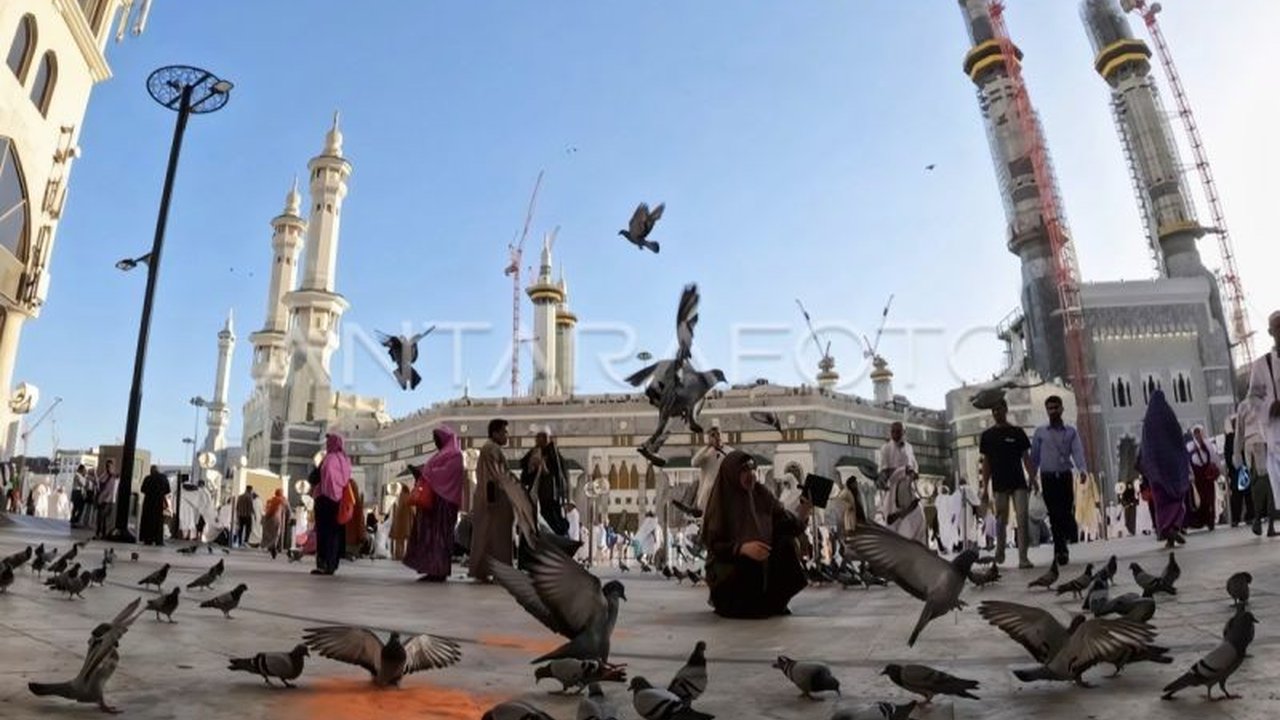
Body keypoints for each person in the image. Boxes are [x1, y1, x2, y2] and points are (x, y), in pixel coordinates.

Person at [703, 451, 809, 619]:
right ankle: (752, 604)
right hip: (730, 570)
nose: (750, 475)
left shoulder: (761, 495)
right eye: (744, 470)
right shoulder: (722, 501)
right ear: (732, 473)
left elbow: (786, 524)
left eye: (753, 469)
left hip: (761, 563)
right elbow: (714, 544)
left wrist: (804, 511)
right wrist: (742, 548)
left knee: (784, 542)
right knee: (748, 563)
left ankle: (775, 601)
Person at [469, 419, 535, 581]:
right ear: (495, 433)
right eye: (504, 432)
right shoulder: (492, 449)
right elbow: (499, 477)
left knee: (488, 537)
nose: (507, 435)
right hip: (494, 501)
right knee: (497, 538)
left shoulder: (490, 448)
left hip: (490, 500)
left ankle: (485, 570)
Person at [1030, 395, 1086, 566]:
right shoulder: (1040, 433)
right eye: (1050, 408)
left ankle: (1068, 535)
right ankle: (1060, 550)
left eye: (1055, 408)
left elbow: (1077, 451)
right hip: (1048, 477)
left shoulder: (1070, 432)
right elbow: (1035, 457)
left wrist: (1082, 469)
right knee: (1054, 514)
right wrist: (1033, 478)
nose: (1053, 411)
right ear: (1047, 411)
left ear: (1061, 409)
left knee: (1066, 510)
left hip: (1065, 476)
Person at [979, 399, 1035, 569]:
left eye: (999, 409)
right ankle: (1000, 551)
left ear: (1005, 409)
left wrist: (1033, 477)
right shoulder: (987, 436)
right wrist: (985, 488)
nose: (996, 413)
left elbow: (1026, 458)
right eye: (993, 410)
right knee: (1000, 520)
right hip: (999, 484)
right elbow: (986, 463)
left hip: (1018, 482)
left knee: (1022, 517)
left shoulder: (1017, 432)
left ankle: (1023, 557)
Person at [404, 426, 465, 582]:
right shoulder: (441, 455)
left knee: (440, 538)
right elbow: (432, 473)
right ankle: (432, 569)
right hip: (435, 503)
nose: (436, 443)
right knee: (430, 538)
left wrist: (425, 472)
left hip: (445, 503)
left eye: (438, 439)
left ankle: (439, 570)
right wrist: (421, 472)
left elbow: (443, 475)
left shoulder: (455, 455)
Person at [1138, 389, 1191, 548]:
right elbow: (1179, 441)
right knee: (1175, 498)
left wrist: (1145, 465)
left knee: (1161, 502)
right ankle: (1174, 527)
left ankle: (1166, 530)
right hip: (1172, 467)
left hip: (1157, 470)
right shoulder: (1169, 416)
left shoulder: (1148, 421)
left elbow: (1145, 446)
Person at [1245, 309, 1280, 534]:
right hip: (1277, 439)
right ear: (1271, 332)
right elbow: (1252, 399)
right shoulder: (1262, 365)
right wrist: (1271, 407)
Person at [1234, 399, 1277, 537]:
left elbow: (1238, 433)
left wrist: (1237, 455)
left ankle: (1258, 520)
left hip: (1249, 446)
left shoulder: (1243, 405)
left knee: (1256, 483)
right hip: (1263, 443)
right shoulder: (1267, 401)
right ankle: (1266, 524)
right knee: (1270, 484)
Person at [312, 433, 351, 576]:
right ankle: (332, 564)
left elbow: (324, 478)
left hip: (325, 500)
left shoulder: (328, 459)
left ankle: (323, 564)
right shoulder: (345, 460)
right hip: (339, 501)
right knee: (335, 534)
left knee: (324, 533)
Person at [520, 427, 569, 536]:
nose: (541, 440)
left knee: (550, 518)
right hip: (535, 493)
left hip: (549, 495)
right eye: (539, 437)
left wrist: (544, 467)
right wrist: (532, 466)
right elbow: (526, 472)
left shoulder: (553, 454)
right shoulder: (533, 452)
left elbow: (557, 474)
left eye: (544, 437)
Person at [1185, 425, 1221, 531]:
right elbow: (1188, 462)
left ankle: (1210, 520)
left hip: (1207, 477)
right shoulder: (1190, 446)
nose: (1197, 435)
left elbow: (1214, 458)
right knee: (1199, 500)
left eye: (1199, 432)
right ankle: (1200, 521)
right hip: (1197, 478)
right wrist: (1190, 476)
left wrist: (1217, 470)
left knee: (1210, 499)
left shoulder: (1208, 445)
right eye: (1195, 433)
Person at [692, 424, 734, 512]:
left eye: (718, 434)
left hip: (724, 494)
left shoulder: (730, 452)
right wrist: (707, 447)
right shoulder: (706, 454)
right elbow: (694, 463)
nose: (716, 437)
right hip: (708, 495)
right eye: (713, 435)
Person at [138, 466, 170, 546]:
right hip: (159, 502)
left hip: (148, 503)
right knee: (158, 521)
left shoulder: (148, 478)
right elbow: (167, 490)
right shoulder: (163, 478)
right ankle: (158, 540)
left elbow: (142, 489)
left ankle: (148, 539)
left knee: (148, 520)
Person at [260, 488, 289, 557]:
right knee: (277, 534)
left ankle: (270, 546)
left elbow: (267, 509)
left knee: (269, 533)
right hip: (277, 519)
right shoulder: (283, 500)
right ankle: (274, 546)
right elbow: (288, 510)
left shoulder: (271, 500)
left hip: (269, 519)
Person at [94, 460, 118, 540]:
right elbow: (98, 485)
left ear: (113, 467)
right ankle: (100, 533)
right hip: (102, 499)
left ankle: (103, 533)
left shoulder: (115, 476)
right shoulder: (104, 475)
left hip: (109, 500)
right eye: (107, 466)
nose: (108, 468)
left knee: (104, 517)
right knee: (100, 517)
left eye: (110, 466)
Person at [390, 485, 413, 560]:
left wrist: (395, 519)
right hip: (407, 523)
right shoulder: (409, 497)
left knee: (398, 540)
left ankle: (398, 555)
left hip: (400, 522)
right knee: (403, 540)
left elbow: (399, 509)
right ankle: (402, 554)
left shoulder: (402, 496)